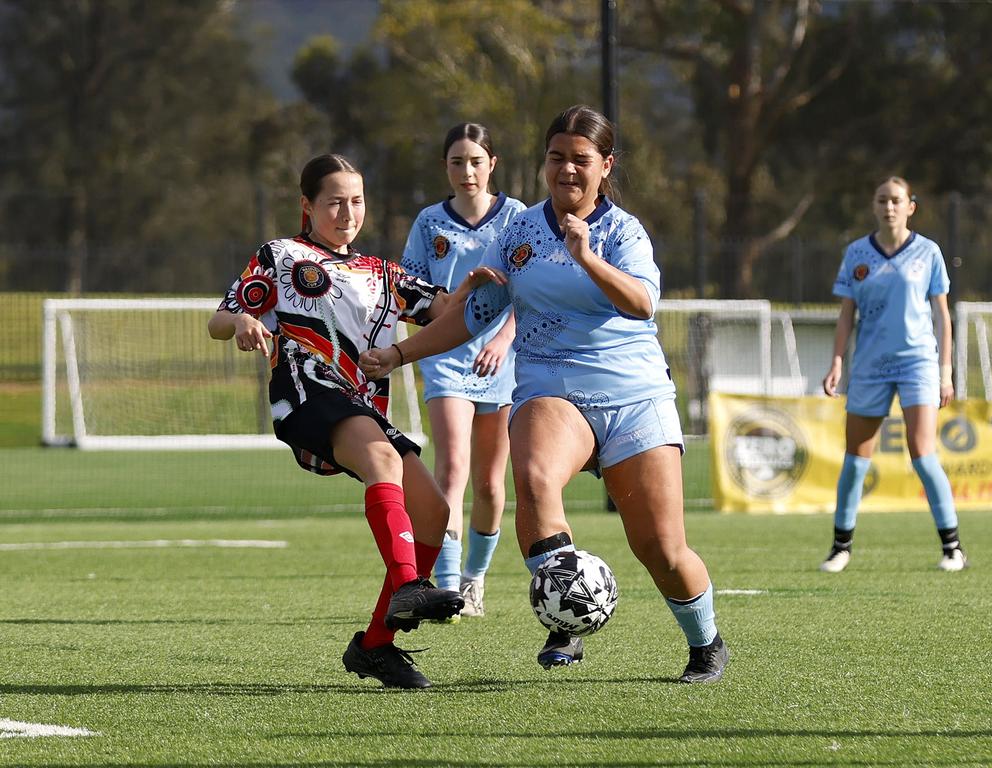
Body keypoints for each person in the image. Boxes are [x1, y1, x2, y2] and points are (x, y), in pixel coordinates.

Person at [360, 105, 728, 683]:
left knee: (660, 547)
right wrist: (402, 352)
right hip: (551, 386)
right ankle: (568, 610)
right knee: (532, 476)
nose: (567, 170)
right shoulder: (521, 231)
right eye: (556, 158)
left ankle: (705, 643)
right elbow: (477, 313)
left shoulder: (623, 232)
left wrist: (586, 256)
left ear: (605, 166)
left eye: (581, 160)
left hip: (634, 396)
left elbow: (641, 303)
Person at [208, 153, 504, 689]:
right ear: (307, 205)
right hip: (306, 393)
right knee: (383, 461)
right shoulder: (281, 255)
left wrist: (473, 293)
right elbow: (218, 319)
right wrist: (246, 319)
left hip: (360, 406)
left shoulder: (383, 274)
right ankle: (409, 584)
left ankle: (374, 646)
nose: (348, 212)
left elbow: (442, 310)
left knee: (435, 512)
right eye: (334, 201)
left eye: (357, 200)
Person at [400, 123, 526, 618]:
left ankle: (475, 579)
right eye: (457, 162)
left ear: (492, 164)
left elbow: (530, 289)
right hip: (447, 361)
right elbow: (413, 294)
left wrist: (501, 337)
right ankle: (447, 587)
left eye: (475, 161)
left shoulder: (517, 217)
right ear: (445, 168)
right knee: (451, 469)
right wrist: (448, 308)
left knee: (492, 484)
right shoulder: (430, 222)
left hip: (504, 360)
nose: (467, 171)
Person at [820, 176, 967, 573]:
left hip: (918, 362)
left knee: (923, 453)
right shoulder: (856, 254)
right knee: (855, 460)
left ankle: (952, 548)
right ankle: (840, 547)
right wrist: (837, 362)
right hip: (869, 365)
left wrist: (945, 372)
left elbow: (942, 315)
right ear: (874, 206)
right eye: (882, 200)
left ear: (910, 206)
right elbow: (846, 314)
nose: (889, 207)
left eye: (896, 200)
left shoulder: (928, 252)